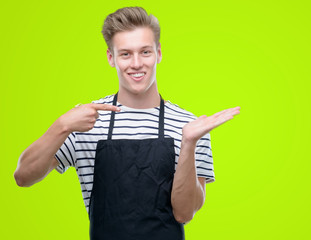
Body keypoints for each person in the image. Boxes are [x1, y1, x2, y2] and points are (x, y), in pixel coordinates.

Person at [14, 6, 240, 240]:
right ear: (111, 58)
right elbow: (23, 176)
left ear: (159, 53)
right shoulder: (86, 121)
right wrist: (62, 125)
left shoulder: (190, 126)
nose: (136, 64)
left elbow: (184, 214)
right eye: (125, 54)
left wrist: (189, 143)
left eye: (145, 52)